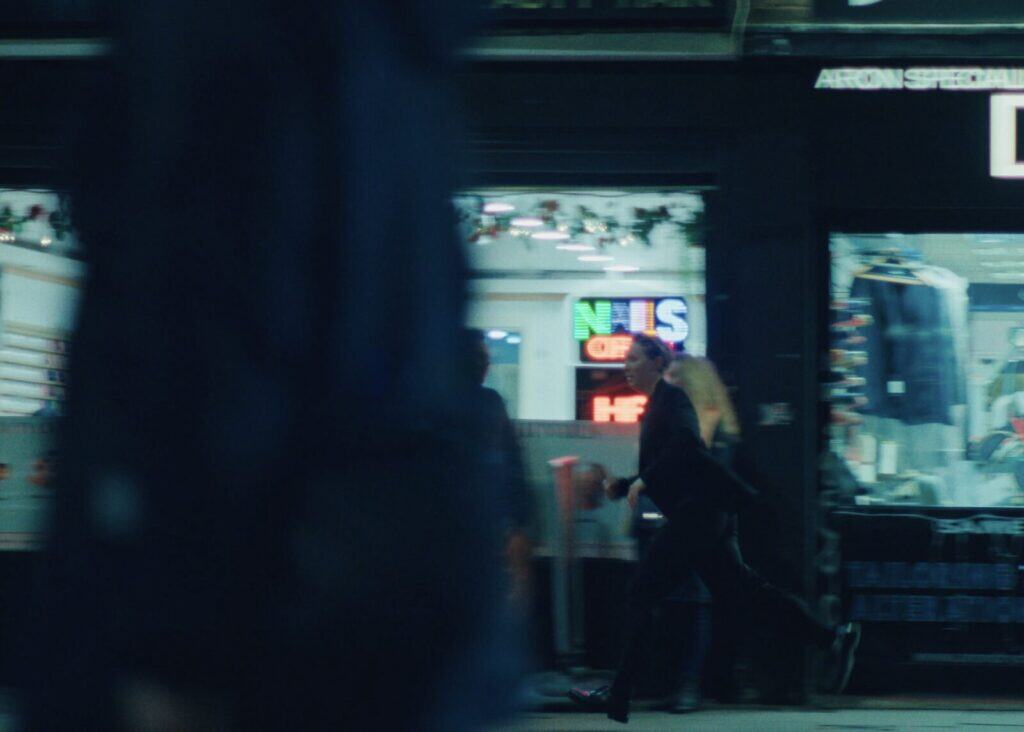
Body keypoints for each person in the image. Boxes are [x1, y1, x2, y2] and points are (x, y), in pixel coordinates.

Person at [580, 335, 860, 724]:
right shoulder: (684, 413)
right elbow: (673, 460)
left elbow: (685, 457)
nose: (669, 378)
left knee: (643, 593)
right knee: (748, 593)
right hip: (707, 519)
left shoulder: (688, 412)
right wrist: (628, 484)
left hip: (698, 518)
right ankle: (831, 637)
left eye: (676, 373)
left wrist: (642, 483)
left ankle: (622, 693)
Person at [466, 328, 533, 599]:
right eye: (478, 357)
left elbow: (511, 464)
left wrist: (518, 524)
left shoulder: (490, 402)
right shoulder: (488, 404)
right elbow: (511, 464)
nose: (486, 364)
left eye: (486, 358)